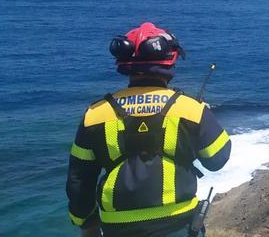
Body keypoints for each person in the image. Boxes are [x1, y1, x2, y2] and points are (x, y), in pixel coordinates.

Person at [66, 22, 231, 237]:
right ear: (171, 61)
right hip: (179, 225)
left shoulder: (95, 114)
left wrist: (87, 225)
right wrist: (200, 123)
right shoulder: (190, 109)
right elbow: (217, 159)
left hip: (118, 228)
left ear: (124, 63)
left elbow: (79, 180)